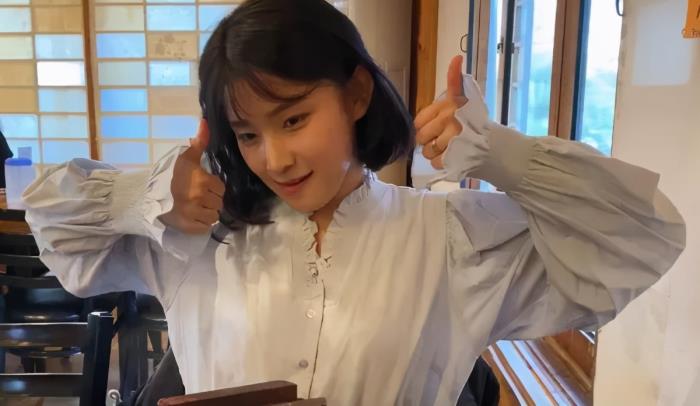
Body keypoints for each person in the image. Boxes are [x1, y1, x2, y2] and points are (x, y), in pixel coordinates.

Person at [22, 0, 685, 404]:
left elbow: (641, 239)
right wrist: (138, 195)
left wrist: (503, 156)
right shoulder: (200, 239)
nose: (274, 158)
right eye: (248, 135)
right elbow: (53, 225)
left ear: (357, 95)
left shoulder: (450, 238)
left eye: (293, 119)